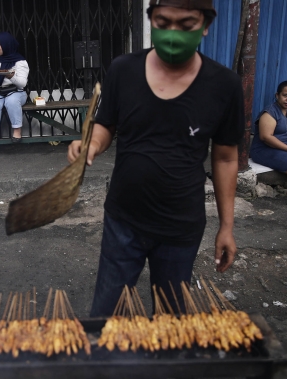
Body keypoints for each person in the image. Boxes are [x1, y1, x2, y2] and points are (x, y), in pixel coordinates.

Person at [68, 0, 244, 316]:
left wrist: (227, 226)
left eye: (186, 25)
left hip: (181, 227)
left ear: (205, 26)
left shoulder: (224, 85)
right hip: (124, 221)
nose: (173, 34)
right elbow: (106, 125)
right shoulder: (124, 69)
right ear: (151, 21)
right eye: (163, 23)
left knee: (171, 322)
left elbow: (226, 158)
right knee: (106, 318)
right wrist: (91, 144)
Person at [250, 81, 287, 176]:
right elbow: (266, 137)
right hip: (265, 150)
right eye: (285, 95)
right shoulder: (270, 112)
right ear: (277, 95)